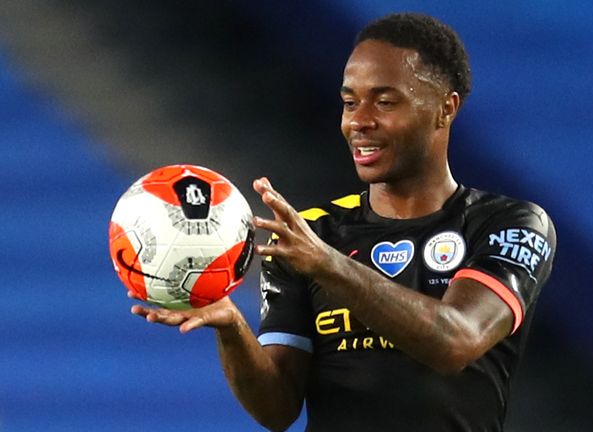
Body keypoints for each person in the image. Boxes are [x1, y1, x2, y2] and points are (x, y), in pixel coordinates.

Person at [130, 12, 556, 431]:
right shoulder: (313, 233)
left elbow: (456, 340)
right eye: (350, 102)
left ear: (445, 109)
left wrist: (328, 264)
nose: (359, 121)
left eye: (385, 102)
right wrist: (231, 328)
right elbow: (277, 409)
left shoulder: (509, 224)